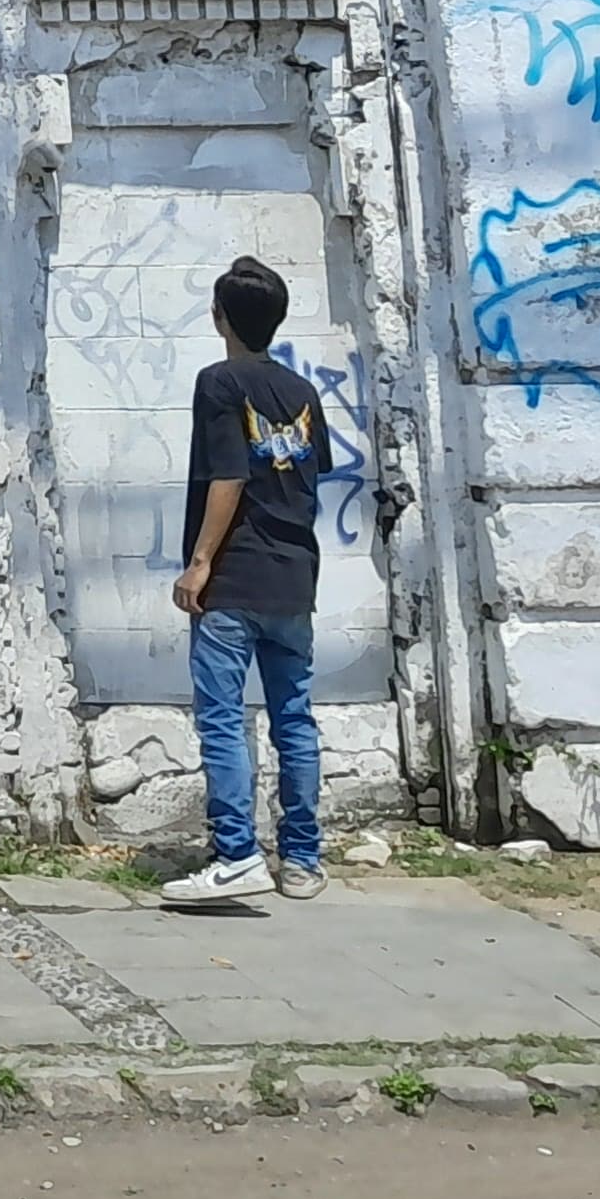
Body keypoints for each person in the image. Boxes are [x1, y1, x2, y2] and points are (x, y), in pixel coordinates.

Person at [161, 253, 329, 908]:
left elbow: (230, 476)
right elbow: (309, 476)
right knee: (293, 715)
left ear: (219, 317)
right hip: (294, 575)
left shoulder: (218, 382)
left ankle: (237, 855)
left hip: (234, 577)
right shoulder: (303, 393)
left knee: (224, 718)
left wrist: (201, 561)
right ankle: (303, 860)